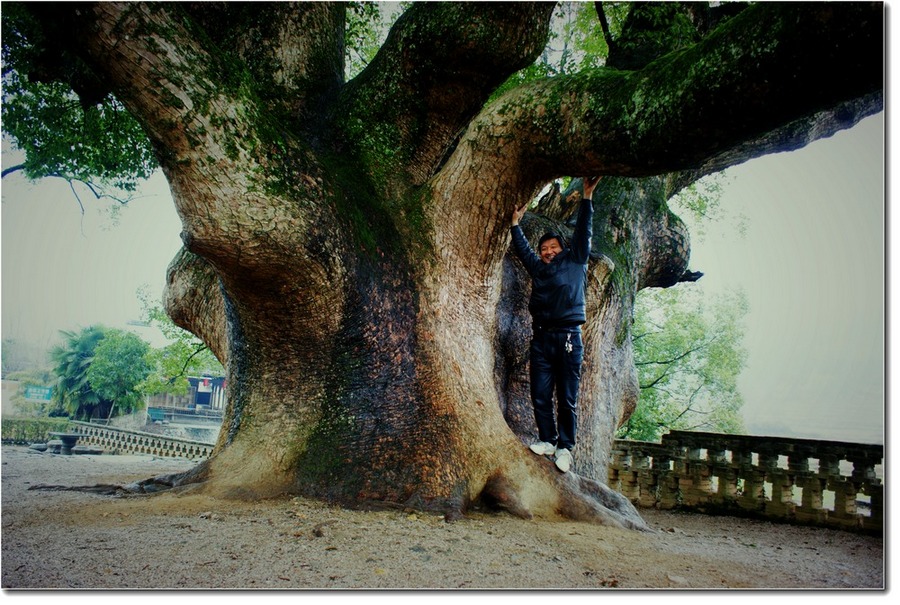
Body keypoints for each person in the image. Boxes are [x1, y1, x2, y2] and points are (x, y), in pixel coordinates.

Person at [510, 176, 601, 473]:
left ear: (562, 249)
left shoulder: (575, 260)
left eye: (553, 247)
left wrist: (587, 196)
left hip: (568, 339)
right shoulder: (539, 269)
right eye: (544, 248)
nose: (548, 251)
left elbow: (584, 232)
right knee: (539, 393)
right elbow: (524, 250)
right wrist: (515, 223)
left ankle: (565, 448)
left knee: (566, 398)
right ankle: (547, 440)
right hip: (541, 339)